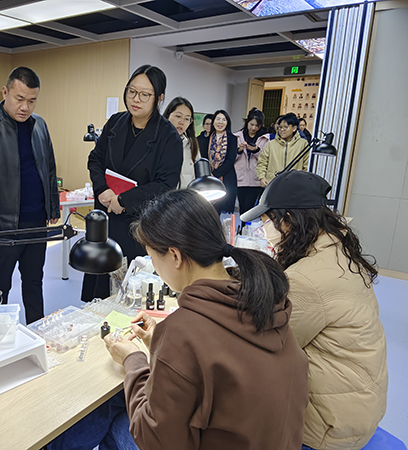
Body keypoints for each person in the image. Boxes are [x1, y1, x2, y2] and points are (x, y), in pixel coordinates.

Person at [48, 189, 308, 450]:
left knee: (113, 416)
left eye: (152, 258)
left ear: (175, 256)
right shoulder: (265, 301)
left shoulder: (184, 329)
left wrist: (133, 359)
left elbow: (156, 439)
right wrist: (160, 345)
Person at [240, 170, 388, 450]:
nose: (263, 232)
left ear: (288, 221)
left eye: (265, 222)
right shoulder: (337, 249)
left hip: (329, 427)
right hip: (360, 402)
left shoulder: (307, 279)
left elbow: (261, 345)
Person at [0, 67, 60, 324]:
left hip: (36, 222)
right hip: (3, 226)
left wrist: (53, 208)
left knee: (34, 282)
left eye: (32, 100)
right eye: (19, 99)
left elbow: (49, 169)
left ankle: (38, 332)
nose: (25, 107)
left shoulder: (40, 126)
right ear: (5, 93)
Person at [82, 65, 183, 301]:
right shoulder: (116, 122)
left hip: (139, 225)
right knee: (97, 293)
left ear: (159, 98)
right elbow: (95, 159)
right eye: (131, 92)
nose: (135, 99)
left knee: (128, 294)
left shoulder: (168, 136)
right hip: (105, 217)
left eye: (144, 95)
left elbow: (165, 184)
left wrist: (124, 201)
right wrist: (102, 190)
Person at [233, 108, 270, 217]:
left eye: (257, 125)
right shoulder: (237, 136)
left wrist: (256, 151)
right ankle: (242, 229)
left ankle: (245, 228)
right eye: (251, 124)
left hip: (255, 179)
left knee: (250, 208)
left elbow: (266, 159)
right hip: (240, 178)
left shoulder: (265, 138)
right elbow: (231, 158)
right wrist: (239, 151)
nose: (253, 128)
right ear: (247, 122)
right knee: (242, 207)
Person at [256, 112, 308, 187]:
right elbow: (262, 163)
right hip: (273, 185)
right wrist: (262, 178)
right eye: (280, 127)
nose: (282, 130)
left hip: (295, 186)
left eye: (285, 127)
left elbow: (306, 166)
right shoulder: (271, 144)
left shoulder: (303, 144)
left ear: (294, 128)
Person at [203, 109, 238, 214]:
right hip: (209, 178)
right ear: (213, 122)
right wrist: (208, 174)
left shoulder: (232, 139)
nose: (220, 122)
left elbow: (231, 160)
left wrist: (215, 173)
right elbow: (204, 157)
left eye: (224, 119)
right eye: (218, 119)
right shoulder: (207, 138)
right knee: (209, 210)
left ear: (227, 123)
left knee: (223, 210)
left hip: (226, 178)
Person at [163, 97, 200, 188]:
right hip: (161, 199)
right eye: (178, 116)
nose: (182, 122)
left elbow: (197, 178)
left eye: (187, 119)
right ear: (168, 116)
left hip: (185, 199)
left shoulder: (192, 146)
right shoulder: (156, 143)